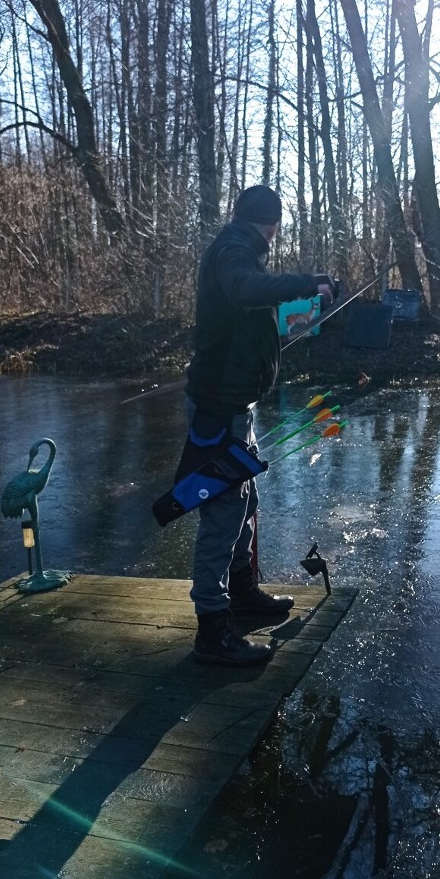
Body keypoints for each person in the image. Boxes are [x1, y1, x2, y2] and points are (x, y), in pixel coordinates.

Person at [184, 184, 337, 666]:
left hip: (235, 406)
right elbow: (243, 289)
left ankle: (242, 594)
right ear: (269, 223)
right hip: (217, 409)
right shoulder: (233, 251)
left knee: (244, 501)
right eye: (277, 224)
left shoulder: (238, 249)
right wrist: (304, 283)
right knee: (223, 510)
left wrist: (294, 309)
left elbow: (246, 308)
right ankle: (212, 629)